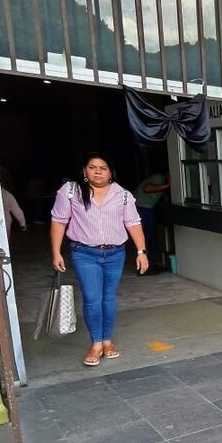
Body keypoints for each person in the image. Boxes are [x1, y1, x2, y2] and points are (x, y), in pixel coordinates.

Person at [50, 153, 148, 366]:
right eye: (92, 167)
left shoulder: (122, 195)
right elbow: (59, 221)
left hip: (115, 254)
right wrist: (56, 252)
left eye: (103, 168)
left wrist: (141, 251)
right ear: (85, 171)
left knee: (109, 298)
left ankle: (107, 341)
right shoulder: (70, 192)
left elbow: (133, 223)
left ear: (110, 171)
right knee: (92, 298)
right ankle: (96, 343)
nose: (97, 171)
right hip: (85, 254)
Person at [134, 172, 170, 269]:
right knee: (148, 236)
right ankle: (148, 264)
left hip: (145, 208)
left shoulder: (161, 181)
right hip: (142, 207)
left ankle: (151, 262)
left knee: (150, 236)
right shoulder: (160, 177)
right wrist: (167, 185)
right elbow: (147, 188)